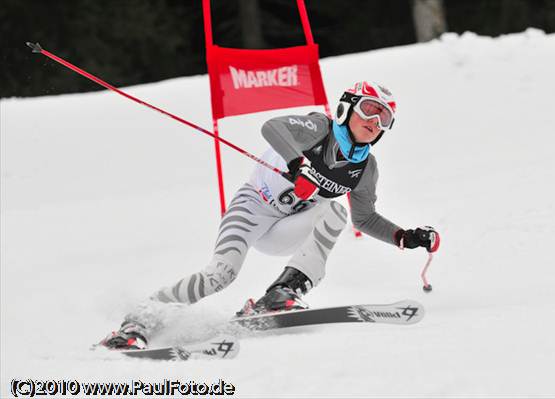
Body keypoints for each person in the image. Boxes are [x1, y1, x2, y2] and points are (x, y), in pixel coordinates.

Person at [100, 81, 440, 350]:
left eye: (384, 118)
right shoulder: (317, 128)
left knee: (333, 210)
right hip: (252, 209)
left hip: (288, 228)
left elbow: (364, 219)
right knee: (219, 276)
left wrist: (403, 237)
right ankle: (138, 321)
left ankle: (282, 292)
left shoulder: (365, 168)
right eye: (369, 109)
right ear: (346, 107)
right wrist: (298, 165)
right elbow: (272, 127)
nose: (374, 122)